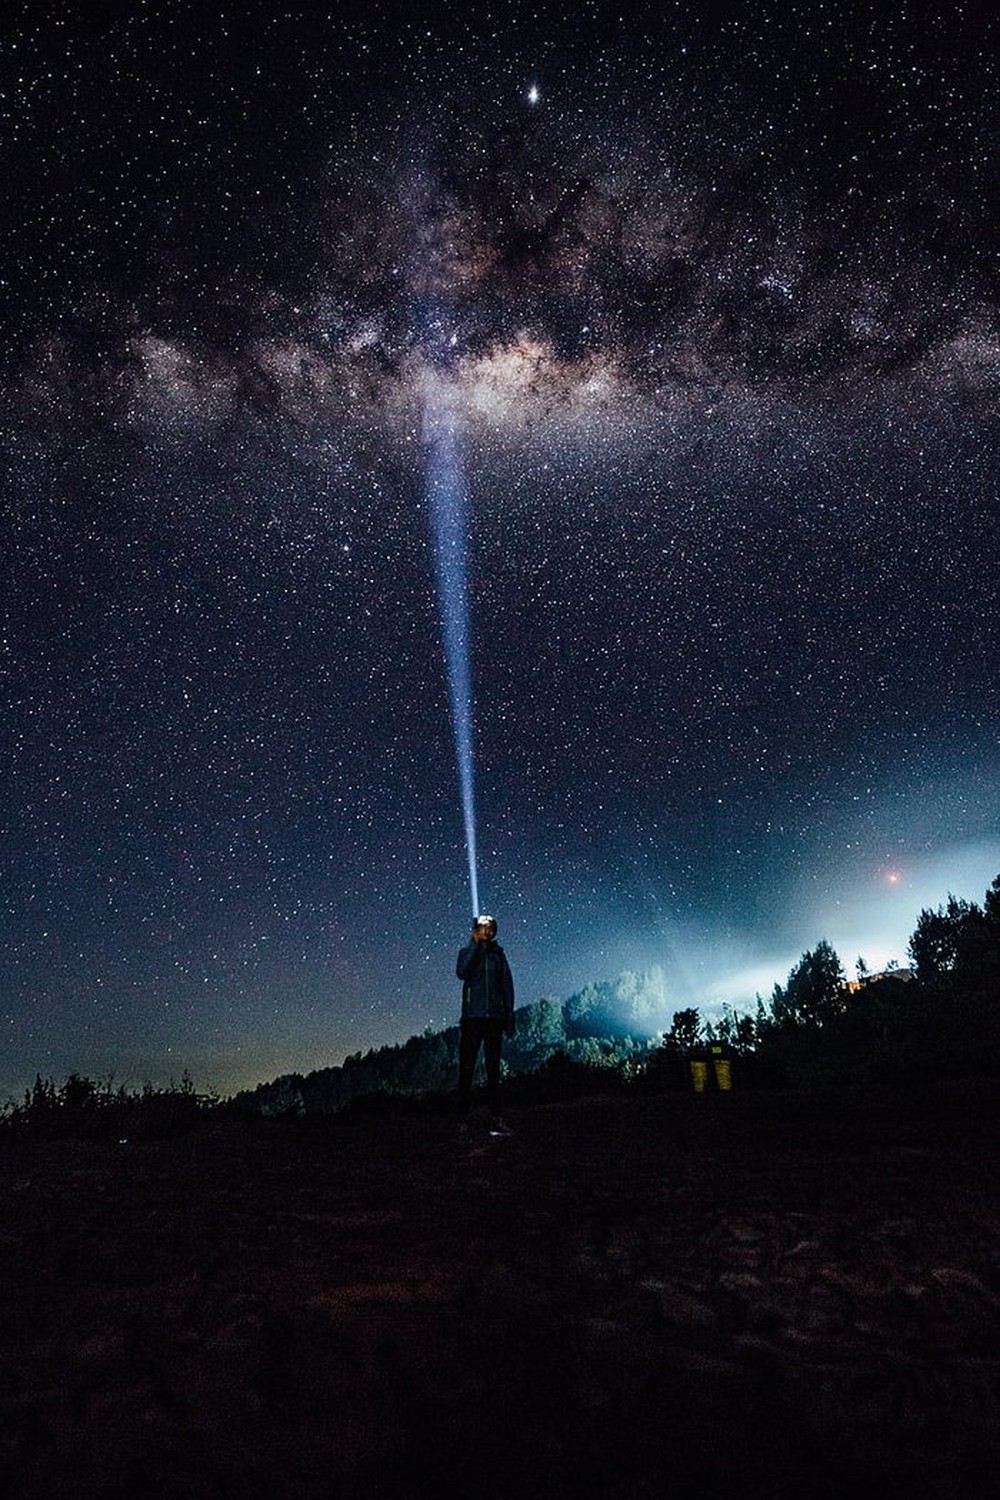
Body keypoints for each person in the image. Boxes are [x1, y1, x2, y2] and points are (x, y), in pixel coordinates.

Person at [456, 914, 515, 1136]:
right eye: (482, 927)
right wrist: (475, 945)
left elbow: (506, 985)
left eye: (490, 927)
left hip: (494, 1019)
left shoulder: (499, 956)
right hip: (472, 1018)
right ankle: (463, 1121)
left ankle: (496, 1119)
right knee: (467, 1070)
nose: (486, 931)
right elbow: (462, 971)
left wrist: (509, 1014)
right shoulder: (466, 952)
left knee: (493, 1071)